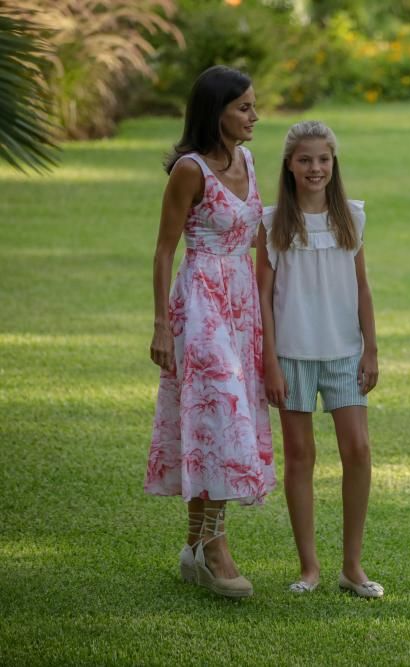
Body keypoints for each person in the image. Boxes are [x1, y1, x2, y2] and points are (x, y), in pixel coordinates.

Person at [146, 65, 275, 599]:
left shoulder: (246, 159)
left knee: (216, 420)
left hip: (242, 303)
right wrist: (159, 324)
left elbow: (260, 239)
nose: (254, 116)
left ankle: (194, 546)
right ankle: (216, 546)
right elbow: (164, 249)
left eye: (252, 105)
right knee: (220, 415)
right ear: (215, 111)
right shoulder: (190, 170)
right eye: (244, 107)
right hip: (200, 303)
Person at [256, 120, 383, 598]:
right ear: (289, 164)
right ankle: (309, 567)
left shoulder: (352, 217)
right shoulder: (270, 224)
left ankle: (353, 566)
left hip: (345, 352)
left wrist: (370, 347)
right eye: (306, 159)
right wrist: (268, 359)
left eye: (324, 159)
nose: (316, 168)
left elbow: (363, 288)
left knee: (358, 450)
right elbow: (263, 297)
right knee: (301, 456)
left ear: (334, 163)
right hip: (291, 353)